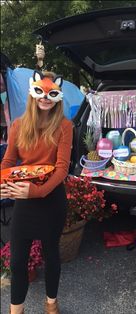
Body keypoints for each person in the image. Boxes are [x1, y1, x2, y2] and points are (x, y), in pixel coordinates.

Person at [0, 70, 73, 314]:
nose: (45, 98)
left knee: (51, 253)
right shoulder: (19, 125)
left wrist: (36, 191)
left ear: (57, 96)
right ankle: (15, 310)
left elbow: (62, 169)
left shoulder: (64, 126)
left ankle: (51, 303)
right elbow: (8, 161)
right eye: (40, 92)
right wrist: (2, 182)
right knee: (18, 260)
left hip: (50, 199)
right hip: (24, 199)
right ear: (33, 92)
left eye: (51, 93)